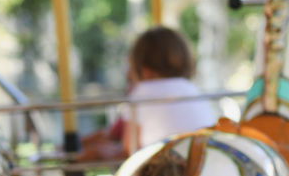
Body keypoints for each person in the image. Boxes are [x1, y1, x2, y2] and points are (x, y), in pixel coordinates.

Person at [78, 26, 219, 161]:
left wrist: (100, 153)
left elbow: (129, 149)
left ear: (142, 67)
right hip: (202, 162)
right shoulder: (192, 89)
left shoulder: (144, 92)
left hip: (165, 168)